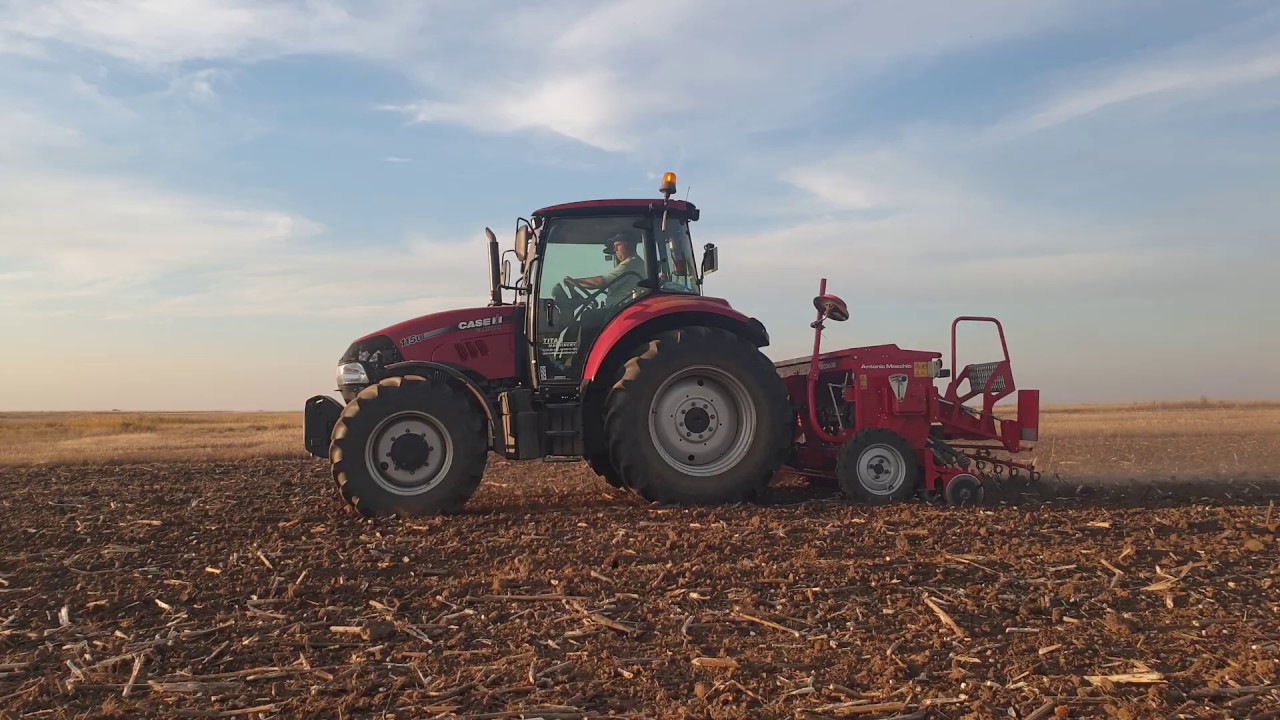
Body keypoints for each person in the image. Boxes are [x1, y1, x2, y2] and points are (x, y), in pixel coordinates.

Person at [563, 233, 645, 306]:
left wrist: (575, 282)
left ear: (628, 245)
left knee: (587, 317)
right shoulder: (635, 262)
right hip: (619, 308)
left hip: (622, 309)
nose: (615, 250)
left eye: (618, 245)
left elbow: (601, 282)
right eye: (614, 246)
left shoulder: (631, 262)